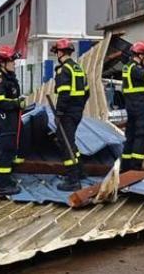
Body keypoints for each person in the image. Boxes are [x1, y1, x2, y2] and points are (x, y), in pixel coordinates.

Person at [51, 39, 89, 191]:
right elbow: (87, 92)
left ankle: (72, 180)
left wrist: (59, 113)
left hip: (67, 112)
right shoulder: (78, 68)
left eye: (57, 52)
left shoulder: (64, 69)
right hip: (77, 111)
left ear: (60, 53)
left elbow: (64, 94)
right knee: (70, 141)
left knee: (65, 143)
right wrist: (78, 106)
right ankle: (80, 172)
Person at [0, 45, 24, 197]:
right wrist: (17, 104)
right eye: (11, 61)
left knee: (11, 151)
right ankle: (2, 186)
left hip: (12, 118)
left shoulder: (9, 77)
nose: (14, 63)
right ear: (2, 63)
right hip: (6, 119)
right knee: (6, 150)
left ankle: (7, 180)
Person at [120, 41, 144, 171]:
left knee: (130, 136)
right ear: (141, 55)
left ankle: (125, 168)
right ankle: (135, 169)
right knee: (141, 136)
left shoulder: (128, 67)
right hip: (139, 107)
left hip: (130, 106)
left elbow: (140, 79)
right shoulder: (135, 69)